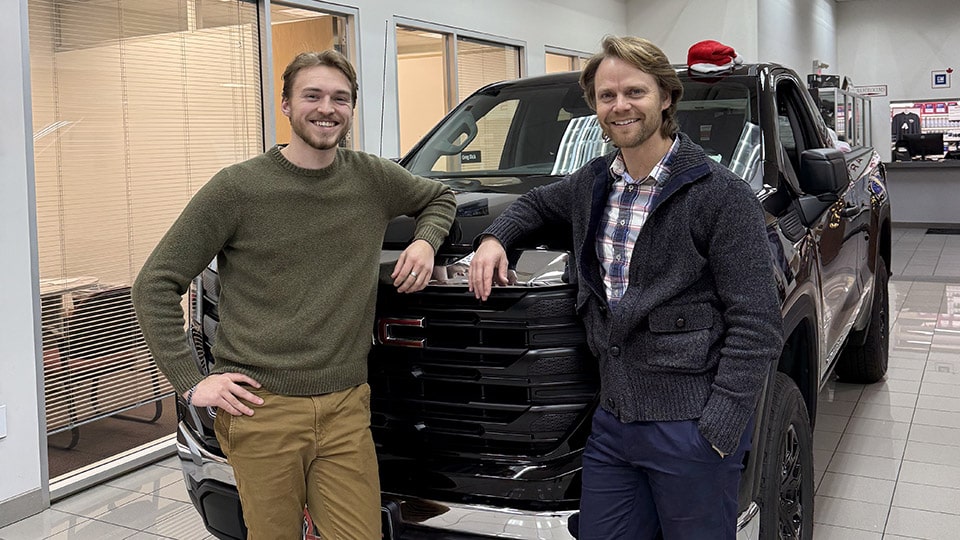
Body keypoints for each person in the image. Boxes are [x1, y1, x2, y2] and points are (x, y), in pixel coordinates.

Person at [132, 50, 456, 540]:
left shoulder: (371, 177)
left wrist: (424, 243)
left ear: (351, 109)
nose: (327, 108)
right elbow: (154, 283)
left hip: (347, 406)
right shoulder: (238, 189)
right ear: (285, 105)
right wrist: (192, 383)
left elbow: (439, 196)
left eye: (340, 98)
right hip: (262, 410)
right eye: (312, 95)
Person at [468, 36, 783, 539]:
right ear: (594, 106)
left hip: (690, 428)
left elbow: (759, 325)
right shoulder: (594, 183)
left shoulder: (722, 197)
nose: (620, 106)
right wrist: (492, 240)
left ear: (666, 96)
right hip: (613, 427)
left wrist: (718, 431)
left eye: (634, 92)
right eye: (606, 96)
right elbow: (532, 205)